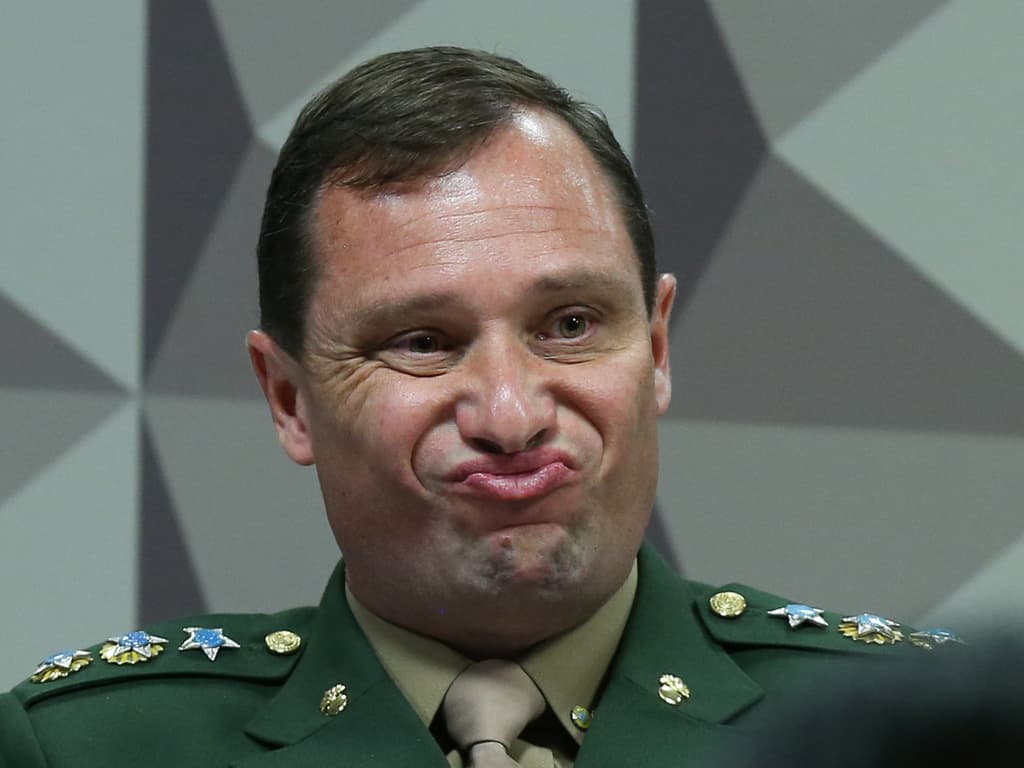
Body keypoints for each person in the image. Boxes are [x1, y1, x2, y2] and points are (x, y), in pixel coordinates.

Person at [0, 47, 926, 767]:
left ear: (655, 349)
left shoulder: (919, 735)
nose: (510, 415)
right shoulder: (84, 750)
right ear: (289, 399)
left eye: (570, 324)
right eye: (422, 342)